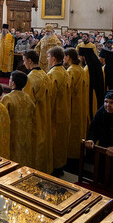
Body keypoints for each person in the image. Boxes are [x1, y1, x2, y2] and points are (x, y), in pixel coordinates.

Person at [22, 50, 53, 174]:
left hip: (35, 116)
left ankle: (33, 169)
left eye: (24, 61)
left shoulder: (31, 78)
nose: (24, 64)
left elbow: (27, 102)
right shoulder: (45, 74)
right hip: (45, 112)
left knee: (34, 143)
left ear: (29, 61)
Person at [1, 71, 35, 167]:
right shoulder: (28, 97)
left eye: (10, 79)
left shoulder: (7, 98)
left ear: (13, 83)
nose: (9, 80)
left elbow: (1, 117)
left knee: (12, 158)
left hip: (12, 134)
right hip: (25, 133)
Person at [47, 46, 71, 176]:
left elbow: (50, 96)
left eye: (48, 57)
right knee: (61, 140)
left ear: (54, 58)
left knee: (54, 141)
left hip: (55, 113)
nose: (47, 59)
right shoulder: (65, 71)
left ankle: (54, 167)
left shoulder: (52, 74)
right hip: (64, 111)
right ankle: (60, 165)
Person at [64, 48, 88, 163]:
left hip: (73, 104)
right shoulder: (81, 69)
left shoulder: (71, 71)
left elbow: (68, 90)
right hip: (81, 103)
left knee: (72, 131)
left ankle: (71, 155)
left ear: (68, 57)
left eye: (65, 56)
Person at [79, 46, 105, 124]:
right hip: (96, 93)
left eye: (80, 56)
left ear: (83, 57)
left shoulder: (87, 68)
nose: (79, 58)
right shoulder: (95, 64)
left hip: (90, 94)